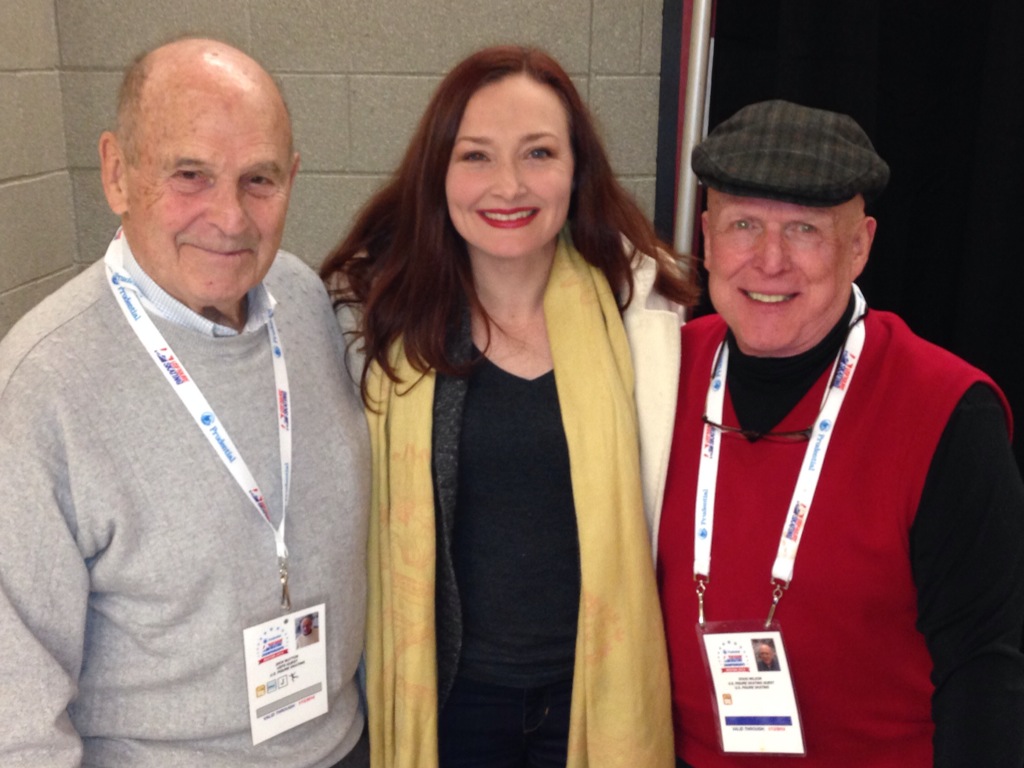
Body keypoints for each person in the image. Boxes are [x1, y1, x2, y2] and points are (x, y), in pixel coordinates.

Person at [321, 45, 698, 768]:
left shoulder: (644, 313)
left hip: (598, 691)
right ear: (438, 172)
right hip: (448, 701)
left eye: (538, 153)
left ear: (576, 169)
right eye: (476, 156)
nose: (508, 185)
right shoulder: (370, 319)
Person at [0, 38, 369, 767]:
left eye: (259, 179)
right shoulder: (40, 388)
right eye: (190, 175)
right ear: (117, 172)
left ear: (292, 180)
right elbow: (16, 710)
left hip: (343, 744)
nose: (229, 218)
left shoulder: (305, 303)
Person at [656, 99, 1024, 767]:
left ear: (859, 246)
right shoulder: (660, 373)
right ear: (707, 238)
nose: (769, 261)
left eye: (804, 230)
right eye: (744, 225)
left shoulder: (947, 411)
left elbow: (983, 668)